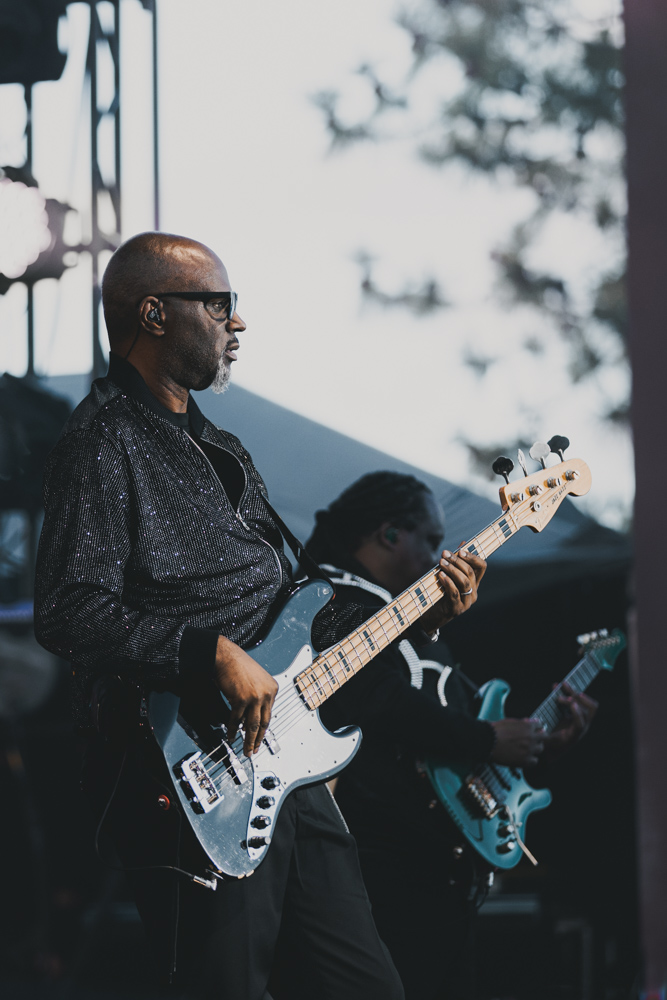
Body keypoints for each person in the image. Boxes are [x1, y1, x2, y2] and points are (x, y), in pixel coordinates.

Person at [33, 232, 487, 1000]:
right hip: (189, 772)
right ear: (152, 314)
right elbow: (68, 611)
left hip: (290, 771)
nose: (235, 324)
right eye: (219, 304)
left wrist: (422, 615)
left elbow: (299, 610)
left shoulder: (225, 449)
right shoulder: (102, 440)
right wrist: (205, 651)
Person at [307, 471, 598, 1000]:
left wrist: (538, 742)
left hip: (440, 869)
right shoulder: (334, 599)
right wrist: (486, 739)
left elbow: (447, 723)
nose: (440, 556)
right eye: (432, 540)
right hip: (382, 866)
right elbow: (380, 698)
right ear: (390, 533)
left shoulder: (408, 621)